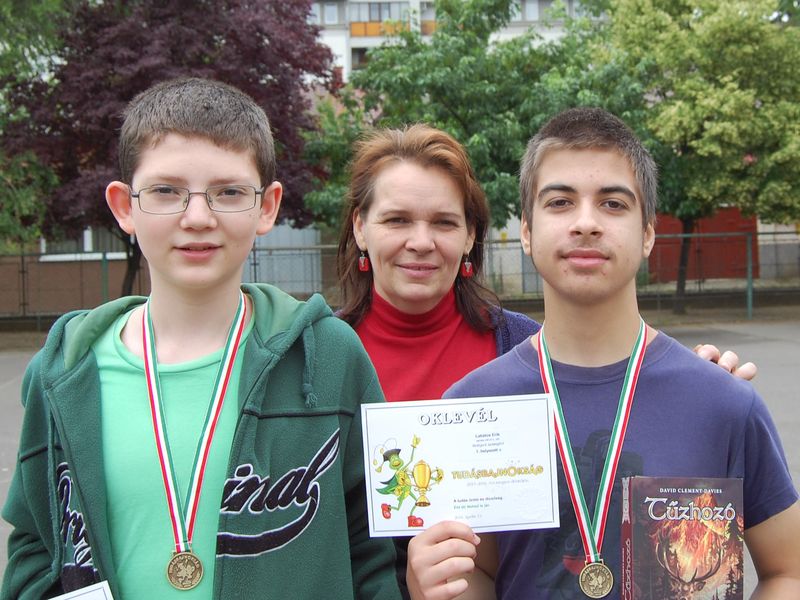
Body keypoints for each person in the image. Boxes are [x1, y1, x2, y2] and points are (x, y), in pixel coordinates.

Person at [1, 77, 401, 599]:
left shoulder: (328, 356)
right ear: (124, 206)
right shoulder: (63, 373)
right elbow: (37, 547)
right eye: (166, 191)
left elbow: (373, 551)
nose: (197, 217)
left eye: (229, 192)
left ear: (267, 206)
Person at [336, 123, 758, 597]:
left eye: (444, 222)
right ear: (360, 227)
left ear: (470, 234)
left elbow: (617, 380)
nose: (421, 241)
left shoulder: (524, 346)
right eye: (397, 220)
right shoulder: (319, 359)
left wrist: (699, 392)